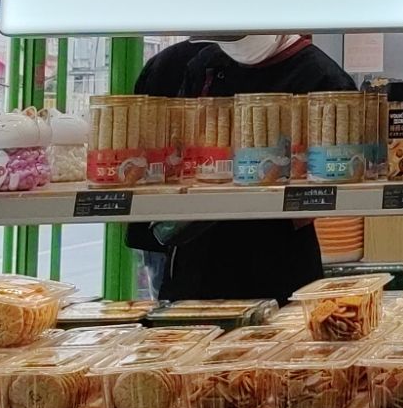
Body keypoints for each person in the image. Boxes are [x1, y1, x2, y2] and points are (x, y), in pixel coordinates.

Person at [125, 24, 357, 302]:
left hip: (277, 259)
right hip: (195, 260)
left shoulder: (324, 77)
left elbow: (338, 185)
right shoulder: (205, 64)